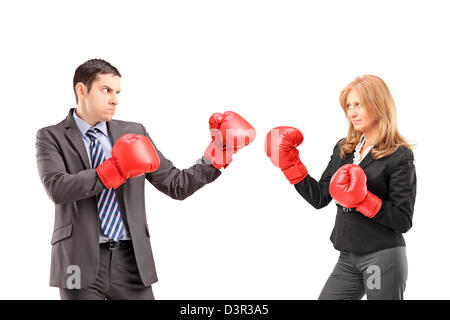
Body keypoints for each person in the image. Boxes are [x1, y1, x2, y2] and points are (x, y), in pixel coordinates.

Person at [35, 58, 255, 300]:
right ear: (81, 90)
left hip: (132, 261)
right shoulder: (51, 136)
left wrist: (219, 153)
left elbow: (176, 185)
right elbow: (58, 188)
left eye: (117, 92)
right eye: (106, 90)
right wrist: (115, 169)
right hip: (77, 261)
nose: (114, 99)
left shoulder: (134, 132)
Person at [265, 75, 416, 300]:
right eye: (348, 105)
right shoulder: (345, 149)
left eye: (359, 104)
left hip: (381, 256)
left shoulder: (398, 155)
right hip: (347, 257)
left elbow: (403, 220)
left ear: (378, 105)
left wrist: (364, 200)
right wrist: (290, 165)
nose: (351, 112)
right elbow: (320, 198)